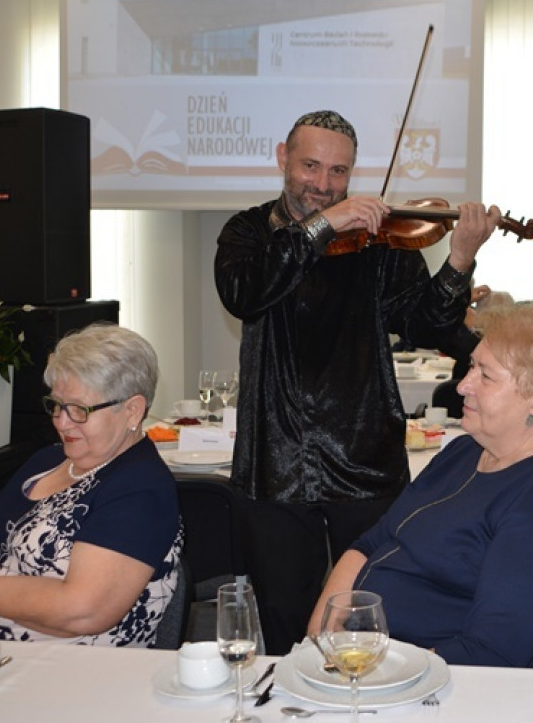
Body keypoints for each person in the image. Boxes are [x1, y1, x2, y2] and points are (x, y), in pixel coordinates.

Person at [214, 110, 499, 652]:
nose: (323, 185)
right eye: (311, 166)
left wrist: (459, 259)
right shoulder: (247, 233)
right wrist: (324, 226)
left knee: (373, 620)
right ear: (283, 158)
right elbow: (244, 292)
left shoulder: (379, 243)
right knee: (281, 620)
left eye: (339, 172)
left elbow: (428, 325)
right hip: (274, 465)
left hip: (365, 461)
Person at [306, 305, 533, 667]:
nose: (463, 384)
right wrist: (321, 637)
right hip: (367, 656)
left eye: (486, 376)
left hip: (438, 685)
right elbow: (374, 541)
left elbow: (491, 654)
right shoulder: (465, 450)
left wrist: (371, 673)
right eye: (471, 367)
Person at [0, 323, 181, 646]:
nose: (61, 421)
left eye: (79, 410)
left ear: (132, 410)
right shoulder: (48, 460)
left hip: (57, 671)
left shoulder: (140, 488)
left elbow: (80, 611)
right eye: (57, 404)